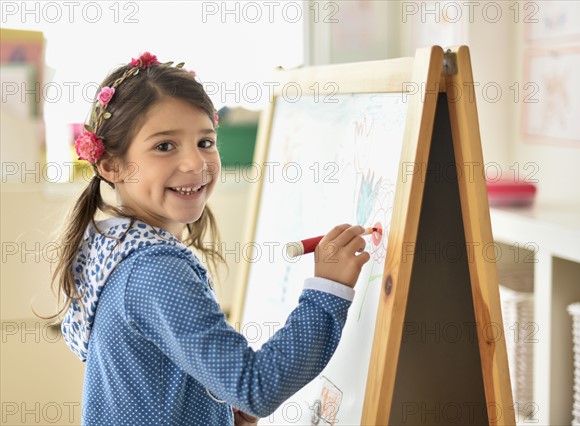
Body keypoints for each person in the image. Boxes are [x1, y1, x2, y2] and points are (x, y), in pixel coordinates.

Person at [44, 52, 370, 425]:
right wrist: (328, 289)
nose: (196, 164)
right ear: (111, 166)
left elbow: (155, 382)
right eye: (165, 146)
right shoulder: (156, 272)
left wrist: (215, 410)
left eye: (205, 142)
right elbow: (256, 388)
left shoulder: (112, 244)